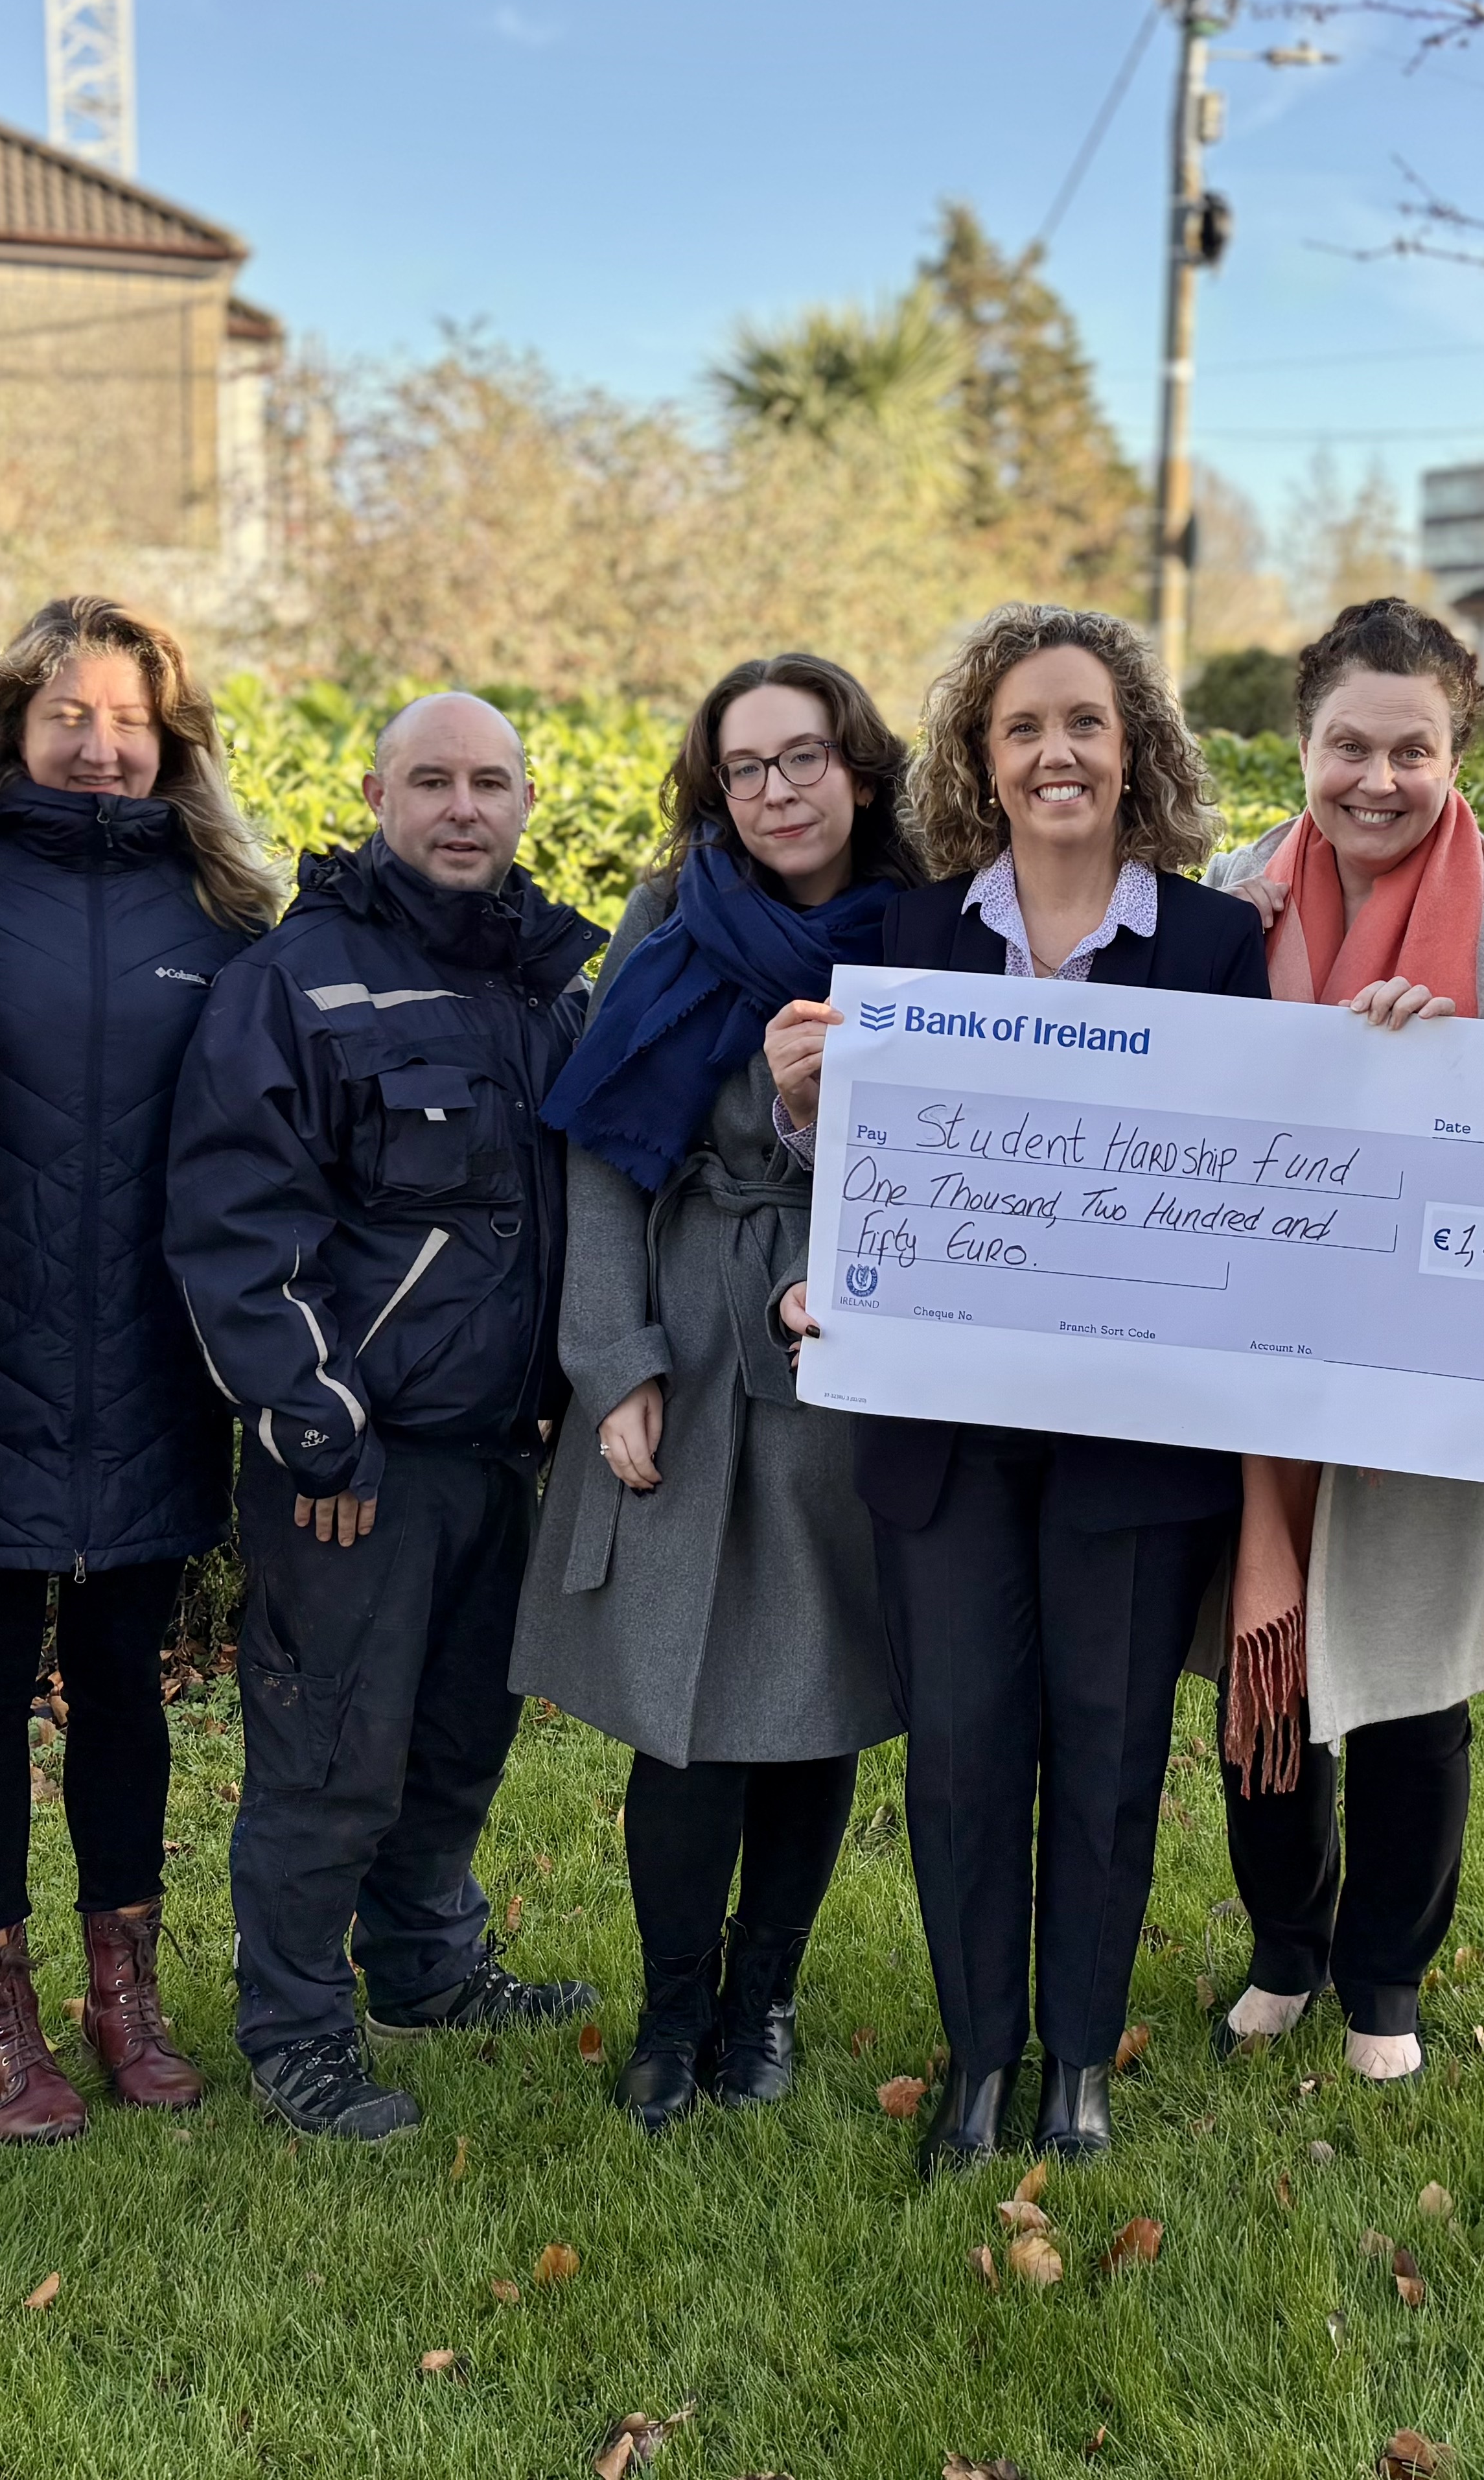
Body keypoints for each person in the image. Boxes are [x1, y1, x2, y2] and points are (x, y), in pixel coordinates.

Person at [833, 602, 1270, 2173]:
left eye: (1085, 721)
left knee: (1105, 1743)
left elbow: (1258, 1174)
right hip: (944, 1433)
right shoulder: (904, 943)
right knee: (959, 1747)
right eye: (1023, 728)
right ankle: (976, 2059)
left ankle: (1077, 2061)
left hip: (1133, 1438)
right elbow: (858, 1174)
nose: (1056, 751)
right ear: (982, 760)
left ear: (1134, 745)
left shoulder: (1223, 947)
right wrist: (798, 1102)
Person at [166, 690, 606, 2144]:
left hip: (498, 1451)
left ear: (527, 802)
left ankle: (426, 1964)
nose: (462, 806)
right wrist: (316, 1426)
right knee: (334, 1751)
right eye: (432, 779)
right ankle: (294, 2023)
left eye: (490, 781)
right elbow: (237, 1226)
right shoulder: (301, 980)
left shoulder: (550, 982)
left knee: (459, 1736)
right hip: (354, 1460)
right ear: (375, 793)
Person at [515, 655, 923, 2129]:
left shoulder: (931, 926)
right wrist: (612, 1361)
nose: (777, 791)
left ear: (860, 769)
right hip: (687, 1334)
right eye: (746, 767)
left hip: (844, 1342)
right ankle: (670, 2004)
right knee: (680, 1713)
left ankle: (764, 2002)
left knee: (810, 1693)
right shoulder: (673, 917)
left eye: (804, 757)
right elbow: (608, 1145)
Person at [1197, 598, 1484, 2081]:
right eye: (1347, 744)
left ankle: (1386, 1979)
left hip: (1440, 1372)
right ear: (1301, 744)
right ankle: (1285, 1947)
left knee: (1416, 1688)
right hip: (1260, 1374)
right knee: (1264, 1667)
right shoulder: (1226, 899)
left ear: (1456, 751)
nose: (1375, 775)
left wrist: (1454, 1072)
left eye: (1409, 748)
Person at [0, 597, 281, 2142]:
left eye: (131, 718)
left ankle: (124, 1988)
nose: (102, 743)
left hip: (152, 1361)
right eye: (70, 715)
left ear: (171, 735)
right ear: (14, 726)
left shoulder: (225, 904)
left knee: (129, 1682)